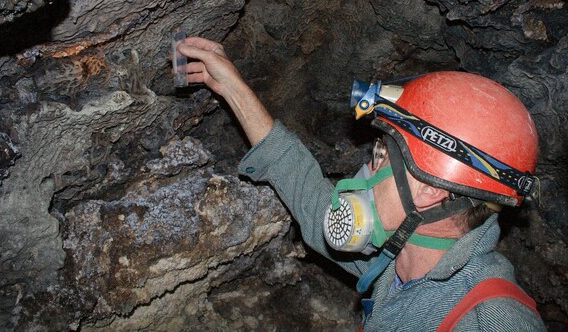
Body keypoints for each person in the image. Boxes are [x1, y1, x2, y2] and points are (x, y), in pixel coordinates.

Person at [177, 36, 547, 331]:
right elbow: (304, 189)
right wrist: (232, 87)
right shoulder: (395, 265)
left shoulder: (492, 320)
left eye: (381, 155)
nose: (366, 167)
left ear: (428, 188)